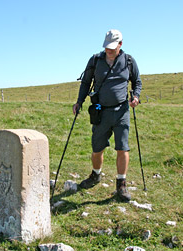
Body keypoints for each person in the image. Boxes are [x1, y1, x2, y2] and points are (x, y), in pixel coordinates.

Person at [73, 29, 142, 202]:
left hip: (122, 111)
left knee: (122, 147)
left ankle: (121, 183)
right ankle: (96, 175)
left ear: (120, 44)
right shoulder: (96, 60)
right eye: (106, 47)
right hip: (100, 110)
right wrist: (79, 102)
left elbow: (137, 81)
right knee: (97, 148)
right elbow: (86, 82)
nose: (108, 50)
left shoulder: (129, 61)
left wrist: (136, 97)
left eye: (112, 47)